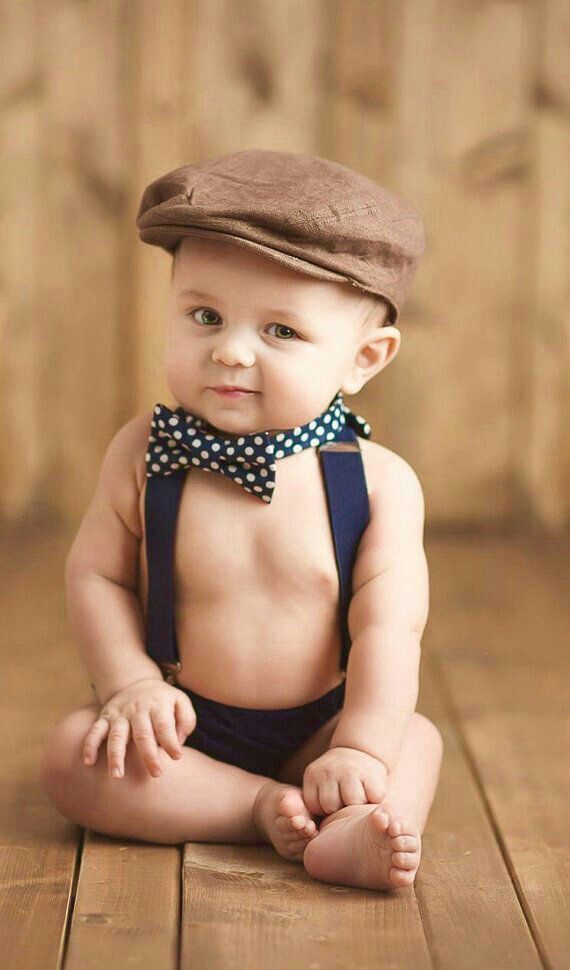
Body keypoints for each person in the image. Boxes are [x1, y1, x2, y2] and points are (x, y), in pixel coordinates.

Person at [39, 149, 444, 891]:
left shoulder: (378, 483)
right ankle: (252, 807)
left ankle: (352, 824)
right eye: (205, 315)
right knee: (72, 757)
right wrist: (129, 683)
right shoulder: (145, 453)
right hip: (180, 723)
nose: (229, 350)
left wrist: (356, 746)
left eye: (280, 332)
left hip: (320, 724)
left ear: (364, 358)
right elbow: (96, 574)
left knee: (412, 740)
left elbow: (390, 629)